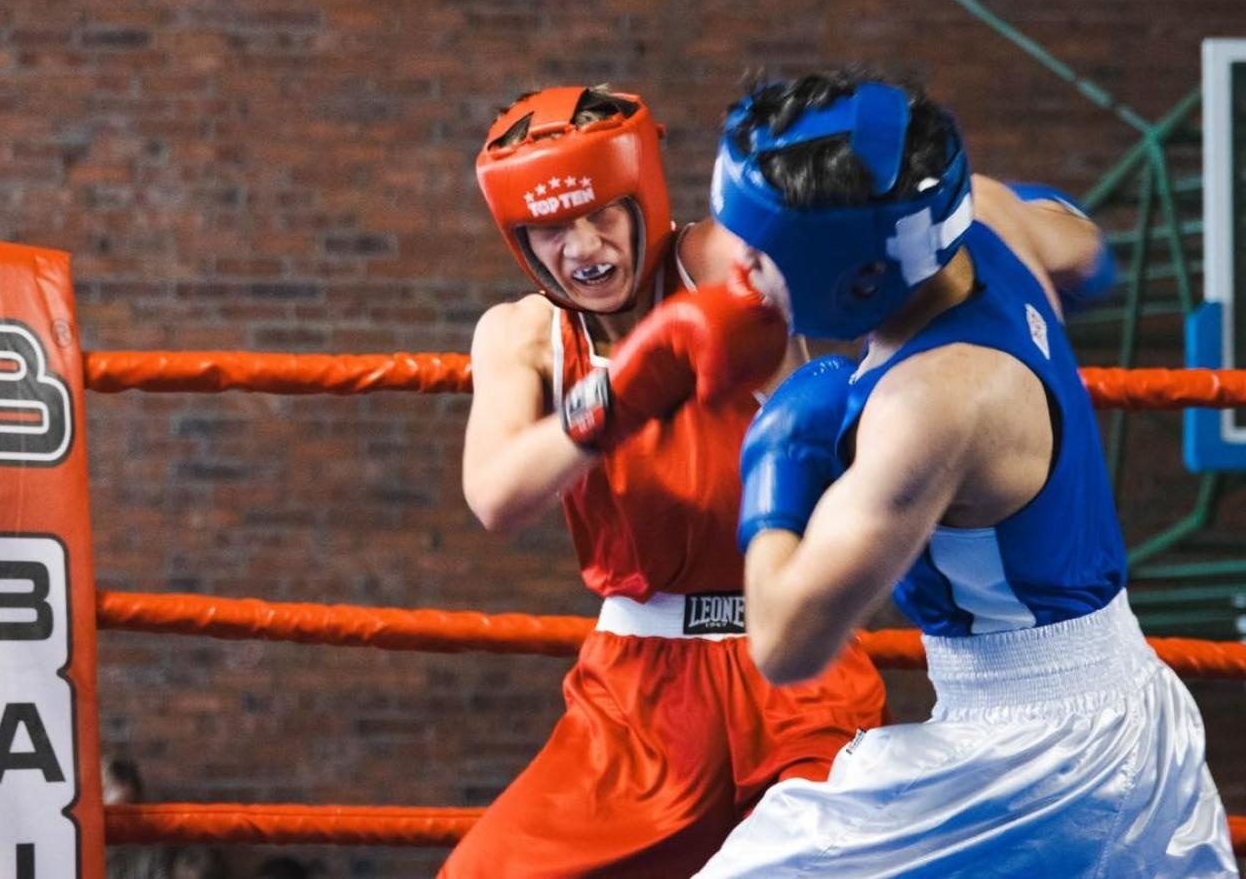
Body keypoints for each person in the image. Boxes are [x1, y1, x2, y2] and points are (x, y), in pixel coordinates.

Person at [695, 72, 1238, 875]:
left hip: (1038, 757)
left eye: (762, 255)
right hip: (1128, 710)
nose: (738, 267)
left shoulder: (930, 406)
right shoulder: (984, 211)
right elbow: (1085, 248)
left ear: (857, 278)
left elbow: (783, 643)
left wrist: (775, 460)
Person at [444, 85, 889, 878]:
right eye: (551, 225)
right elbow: (494, 492)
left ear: (644, 195)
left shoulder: (718, 261)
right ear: (520, 237)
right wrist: (628, 389)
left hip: (792, 660)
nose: (582, 245)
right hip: (638, 693)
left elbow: (856, 251)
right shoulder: (522, 334)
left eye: (602, 213)